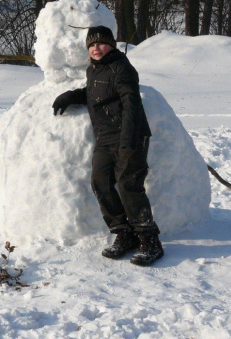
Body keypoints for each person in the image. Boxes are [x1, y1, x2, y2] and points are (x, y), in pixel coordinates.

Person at [52, 25, 164, 266]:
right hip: (105, 139)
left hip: (129, 136)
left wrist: (128, 141)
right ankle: (124, 233)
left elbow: (131, 103)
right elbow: (96, 94)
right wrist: (72, 96)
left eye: (101, 43)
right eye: (91, 45)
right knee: (100, 182)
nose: (96, 48)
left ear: (111, 44)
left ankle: (149, 239)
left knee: (128, 185)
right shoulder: (94, 70)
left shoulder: (121, 67)